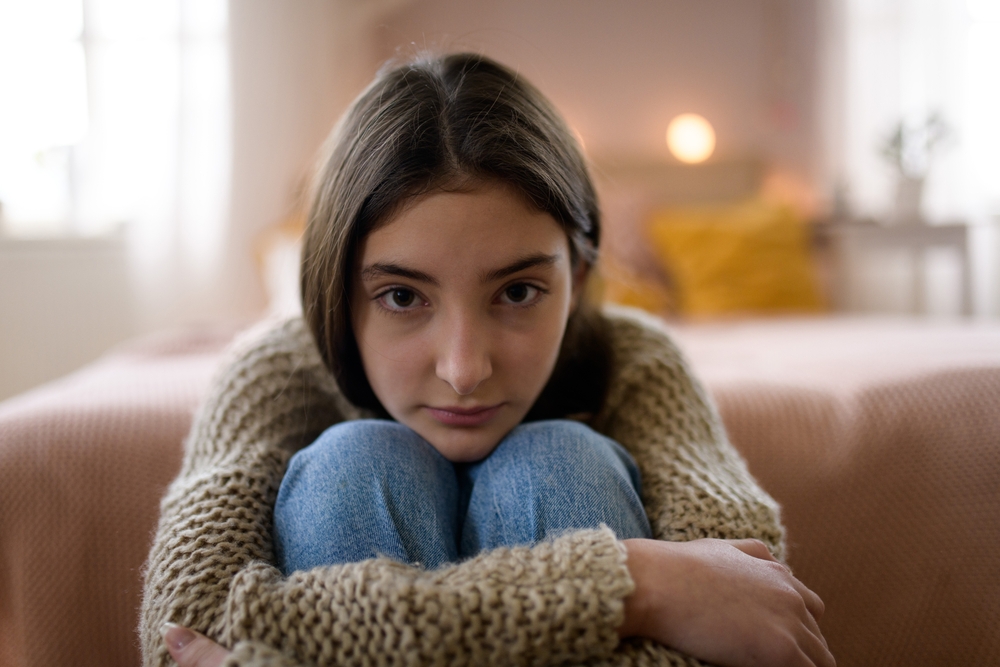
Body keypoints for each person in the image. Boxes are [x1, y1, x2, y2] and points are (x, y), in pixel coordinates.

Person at [141, 53, 833, 667]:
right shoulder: (276, 370)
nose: (464, 368)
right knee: (353, 460)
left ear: (582, 276)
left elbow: (741, 607)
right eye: (403, 295)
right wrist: (634, 583)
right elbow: (186, 631)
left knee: (560, 457)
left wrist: (284, 627)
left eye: (519, 290)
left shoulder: (636, 359)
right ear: (334, 286)